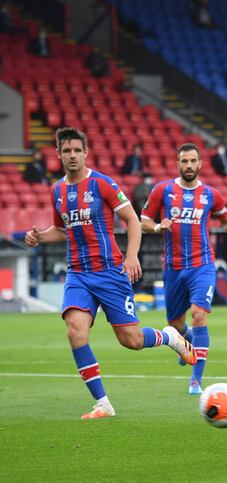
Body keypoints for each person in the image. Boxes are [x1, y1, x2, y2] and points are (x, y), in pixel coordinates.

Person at [24, 127, 197, 419]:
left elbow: (131, 220)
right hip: (77, 273)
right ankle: (103, 403)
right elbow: (61, 230)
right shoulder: (57, 191)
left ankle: (170, 337)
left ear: (86, 152)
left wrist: (131, 256)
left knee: (131, 340)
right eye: (66, 151)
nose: (72, 156)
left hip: (109, 272)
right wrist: (39, 236)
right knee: (75, 331)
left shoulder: (103, 184)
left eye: (77, 150)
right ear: (58, 154)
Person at [141, 143, 227, 394]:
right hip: (173, 267)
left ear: (200, 164)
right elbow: (143, 221)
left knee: (199, 314)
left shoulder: (211, 194)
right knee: (175, 322)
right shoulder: (162, 190)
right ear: (178, 164)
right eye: (184, 161)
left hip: (202, 265)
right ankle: (186, 344)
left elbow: (226, 219)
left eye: (192, 161)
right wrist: (158, 227)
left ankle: (196, 380)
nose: (188, 165)